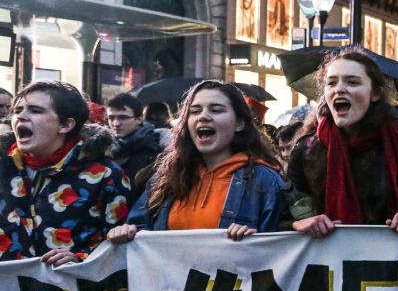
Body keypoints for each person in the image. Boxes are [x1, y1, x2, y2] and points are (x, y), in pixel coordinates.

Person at [287, 47, 398, 237]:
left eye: (353, 82)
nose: (339, 89)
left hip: (391, 262)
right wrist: (298, 223)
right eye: (331, 83)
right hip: (328, 264)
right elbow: (283, 214)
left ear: (375, 94)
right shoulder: (307, 150)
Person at [111, 81, 286, 242]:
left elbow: (280, 247)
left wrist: (253, 241)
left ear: (239, 124)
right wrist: (126, 232)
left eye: (216, 110)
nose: (203, 117)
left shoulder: (265, 182)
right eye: (195, 111)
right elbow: (140, 228)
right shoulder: (165, 178)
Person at [0, 81, 132, 263]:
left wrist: (80, 259)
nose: (21, 116)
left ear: (66, 125)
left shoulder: (105, 174)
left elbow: (122, 244)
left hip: (70, 288)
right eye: (17, 110)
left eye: (35, 110)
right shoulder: (3, 166)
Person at [106, 93, 164, 201]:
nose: (116, 123)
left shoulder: (153, 150)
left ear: (139, 119)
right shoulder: (102, 148)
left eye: (123, 117)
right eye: (111, 118)